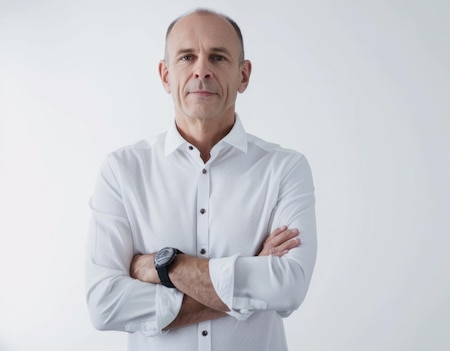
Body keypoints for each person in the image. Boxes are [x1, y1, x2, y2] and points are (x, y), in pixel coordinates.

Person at [85, 8, 317, 351]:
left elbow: (288, 287)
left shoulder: (285, 169)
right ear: (165, 75)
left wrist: (165, 266)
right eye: (187, 57)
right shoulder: (121, 171)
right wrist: (251, 280)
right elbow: (104, 304)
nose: (202, 70)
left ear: (244, 75)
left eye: (218, 57)